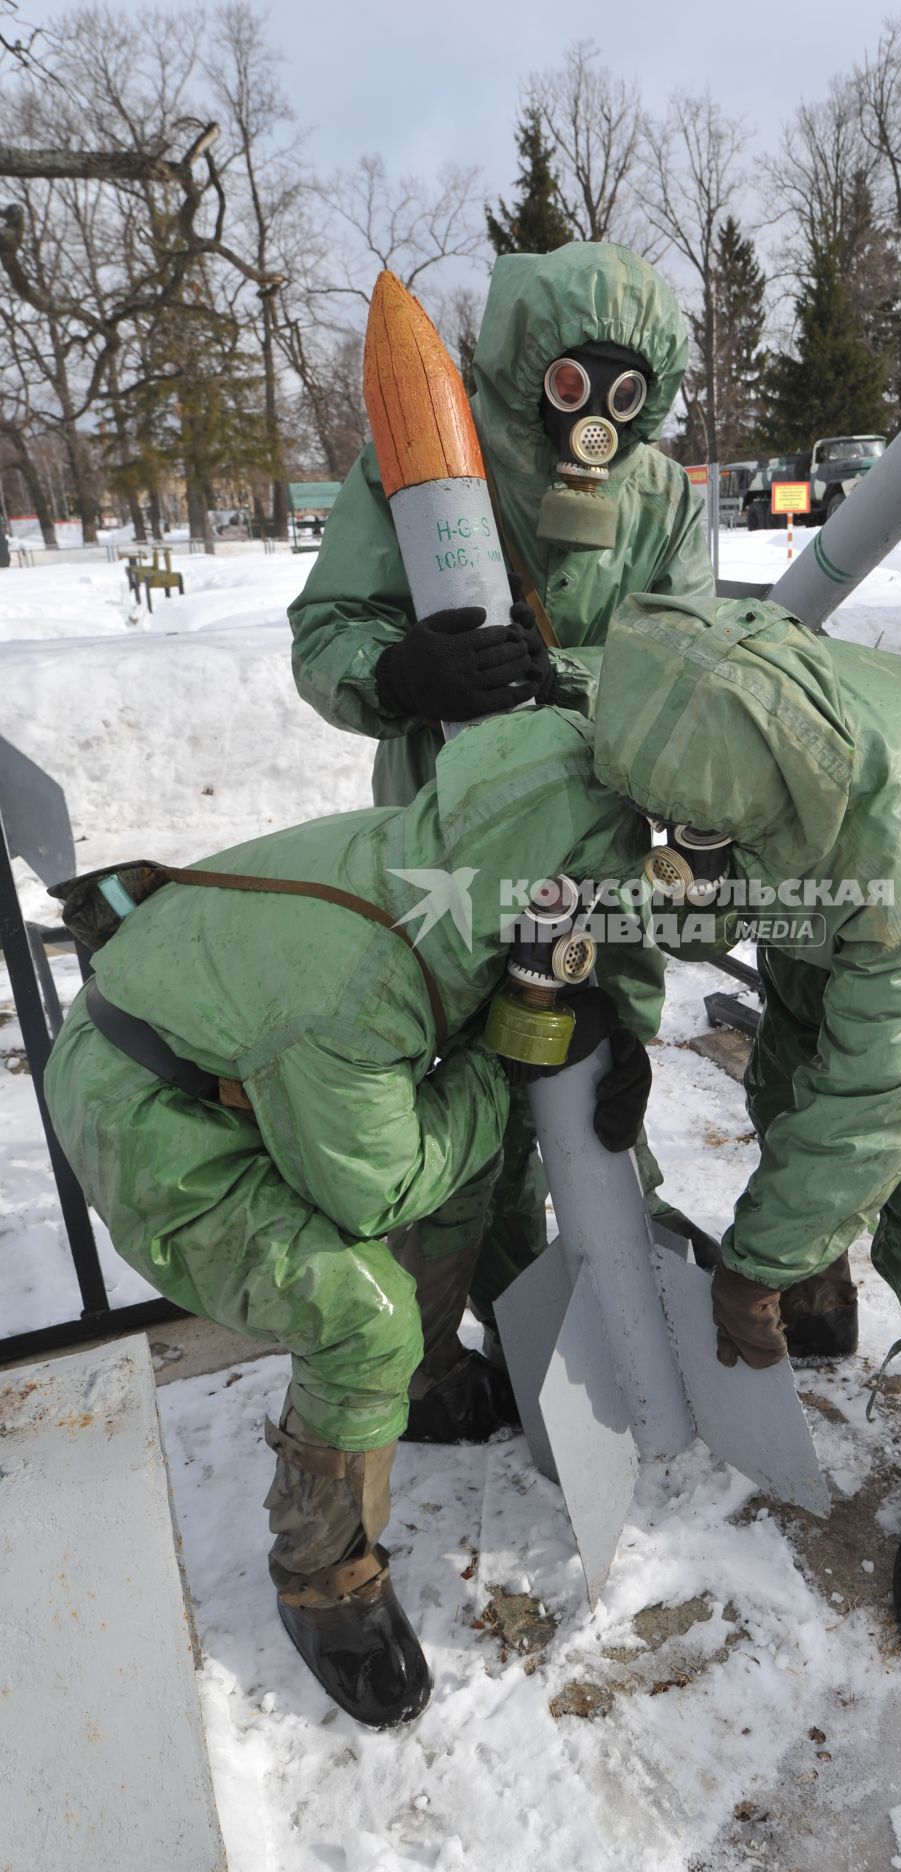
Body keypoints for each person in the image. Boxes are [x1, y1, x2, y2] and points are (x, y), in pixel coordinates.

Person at [43, 706, 655, 1728]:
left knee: (463, 1163)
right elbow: (374, 1189)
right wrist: (508, 1056)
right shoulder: (357, 991)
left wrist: (586, 1020)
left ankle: (417, 1378)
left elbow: (461, 997)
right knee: (355, 1309)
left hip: (224, 1053)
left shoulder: (437, 859)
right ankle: (322, 1575)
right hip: (148, 1116)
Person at [592, 588, 901, 1654]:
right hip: (832, 886)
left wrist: (746, 1267)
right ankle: (815, 1292)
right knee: (784, 1094)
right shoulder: (702, 727)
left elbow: (878, 1107)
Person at [286, 242, 724, 1437]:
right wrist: (396, 671)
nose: (596, 423)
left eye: (625, 396)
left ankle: (579, 1294)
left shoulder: (664, 499)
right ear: (527, 366)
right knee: (448, 1109)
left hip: (597, 843)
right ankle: (429, 1360)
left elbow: (694, 660)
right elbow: (326, 629)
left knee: (588, 1074)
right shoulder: (422, 468)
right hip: (451, 842)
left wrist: (570, 674)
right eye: (574, 387)